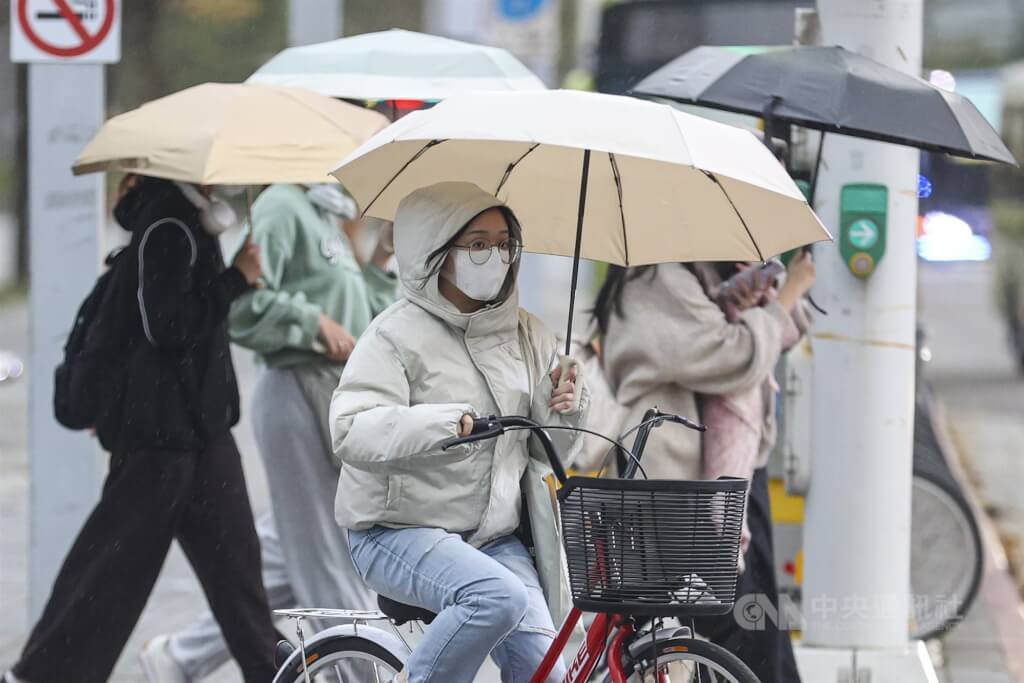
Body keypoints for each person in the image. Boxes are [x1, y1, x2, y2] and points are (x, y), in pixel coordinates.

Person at [5, 175, 278, 683]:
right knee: (112, 571)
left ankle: (272, 673)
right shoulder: (169, 222)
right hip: (160, 441)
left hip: (200, 435)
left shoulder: (186, 219)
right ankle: (42, 676)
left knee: (238, 572)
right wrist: (236, 278)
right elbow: (167, 326)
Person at [331, 182, 588, 683]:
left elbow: (544, 451)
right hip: (396, 530)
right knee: (498, 597)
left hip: (493, 538)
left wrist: (562, 410)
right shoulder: (393, 334)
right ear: (436, 252)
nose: (493, 255)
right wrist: (443, 422)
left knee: (550, 675)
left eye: (503, 242)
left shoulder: (531, 334)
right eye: (477, 243)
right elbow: (349, 429)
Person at [139, 183, 397, 682]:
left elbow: (360, 318)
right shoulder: (281, 205)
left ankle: (180, 657)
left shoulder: (327, 214)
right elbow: (245, 309)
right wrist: (310, 321)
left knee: (287, 552)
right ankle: (358, 673)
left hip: (331, 396)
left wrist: (383, 255)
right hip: (295, 393)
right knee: (324, 553)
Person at [593, 251, 816, 683]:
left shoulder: (699, 275)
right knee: (735, 634)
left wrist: (763, 295)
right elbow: (734, 354)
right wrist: (786, 296)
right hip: (679, 492)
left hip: (725, 482)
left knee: (757, 627)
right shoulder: (656, 279)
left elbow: (776, 336)